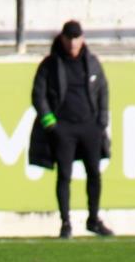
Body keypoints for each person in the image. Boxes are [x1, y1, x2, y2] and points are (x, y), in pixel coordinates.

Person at [28, 20, 113, 239]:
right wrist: (51, 123)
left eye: (76, 38)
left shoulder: (91, 62)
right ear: (63, 38)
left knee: (94, 173)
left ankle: (93, 219)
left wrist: (101, 120)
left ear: (82, 38)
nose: (73, 42)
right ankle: (66, 222)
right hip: (63, 127)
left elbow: (102, 89)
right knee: (64, 175)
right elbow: (39, 94)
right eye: (69, 38)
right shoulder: (51, 63)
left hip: (89, 126)